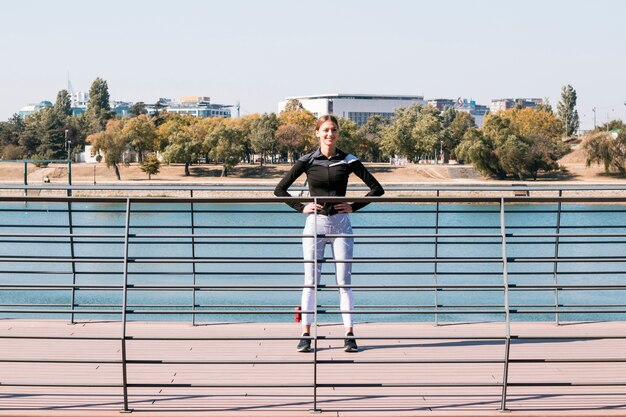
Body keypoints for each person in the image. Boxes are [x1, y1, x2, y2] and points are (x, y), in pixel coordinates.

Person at [274, 115, 384, 353]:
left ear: (338, 134)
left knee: (344, 282)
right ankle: (305, 334)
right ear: (317, 133)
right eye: (325, 130)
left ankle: (350, 334)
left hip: (342, 225)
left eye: (333, 130)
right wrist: (301, 206)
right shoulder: (307, 160)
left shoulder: (348, 160)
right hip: (315, 225)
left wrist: (353, 206)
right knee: (310, 282)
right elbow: (280, 189)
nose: (329, 134)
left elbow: (377, 189)